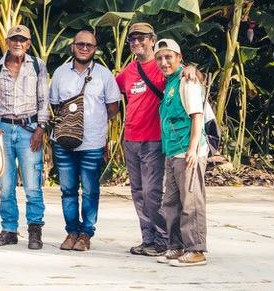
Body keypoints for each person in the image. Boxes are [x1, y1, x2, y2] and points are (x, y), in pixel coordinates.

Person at [49, 29, 121, 252]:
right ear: (73, 46)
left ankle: (86, 234)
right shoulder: (60, 73)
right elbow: (55, 105)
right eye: (80, 44)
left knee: (90, 190)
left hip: (92, 143)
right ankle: (72, 231)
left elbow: (113, 108)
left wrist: (93, 122)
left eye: (89, 45)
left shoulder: (104, 75)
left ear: (95, 49)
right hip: (64, 141)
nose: (84, 48)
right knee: (68, 190)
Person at [0, 24, 50, 249]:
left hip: (29, 128)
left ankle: (35, 230)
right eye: (14, 39)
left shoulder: (38, 66)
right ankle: (9, 229)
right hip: (3, 128)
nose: (18, 43)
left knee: (32, 185)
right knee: (5, 185)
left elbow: (44, 99)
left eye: (22, 40)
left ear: (28, 44)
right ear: (7, 43)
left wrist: (40, 128)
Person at [115, 22, 169, 256]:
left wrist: (191, 70)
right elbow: (110, 91)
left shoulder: (162, 65)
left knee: (152, 192)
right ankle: (148, 239)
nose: (136, 42)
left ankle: (163, 239)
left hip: (153, 140)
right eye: (132, 39)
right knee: (137, 192)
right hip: (131, 139)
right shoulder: (129, 71)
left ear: (152, 40)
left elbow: (185, 76)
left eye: (142, 38)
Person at [154, 39, 210, 267]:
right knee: (171, 203)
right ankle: (176, 246)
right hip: (172, 151)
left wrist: (193, 149)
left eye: (168, 57)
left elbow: (197, 116)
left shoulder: (188, 80)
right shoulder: (170, 83)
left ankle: (195, 250)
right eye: (159, 58)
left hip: (187, 151)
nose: (164, 62)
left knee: (191, 202)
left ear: (179, 58)